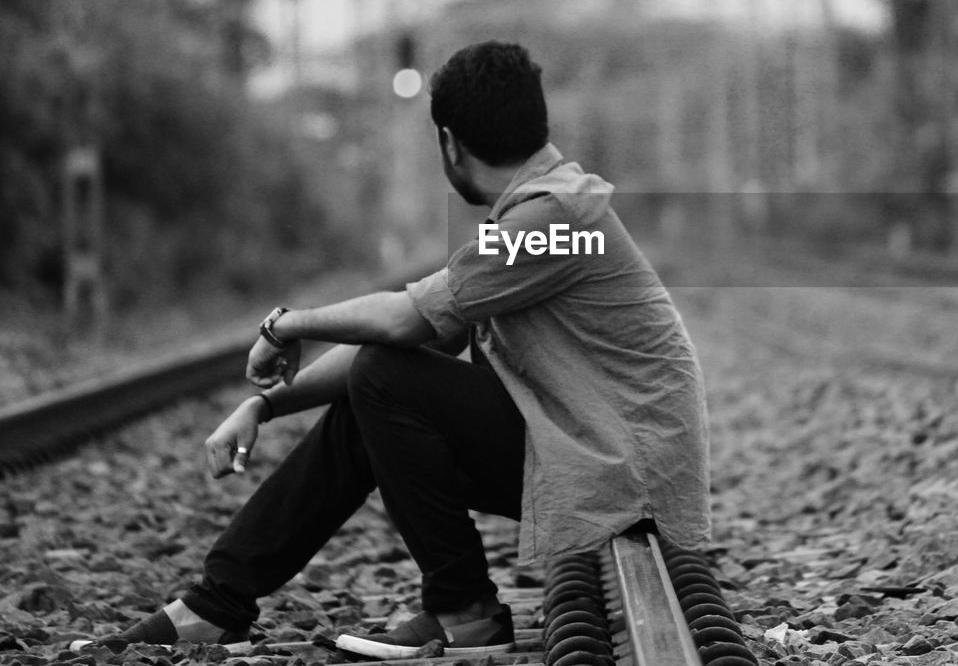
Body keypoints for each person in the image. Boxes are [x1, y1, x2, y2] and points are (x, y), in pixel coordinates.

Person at [71, 40, 711, 659]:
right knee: (374, 390)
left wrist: (286, 325)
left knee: (383, 377)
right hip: (594, 445)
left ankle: (465, 612)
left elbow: (401, 323)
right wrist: (265, 407)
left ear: (450, 143)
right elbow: (417, 331)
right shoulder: (548, 212)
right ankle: (214, 606)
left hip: (622, 469)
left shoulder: (557, 221)